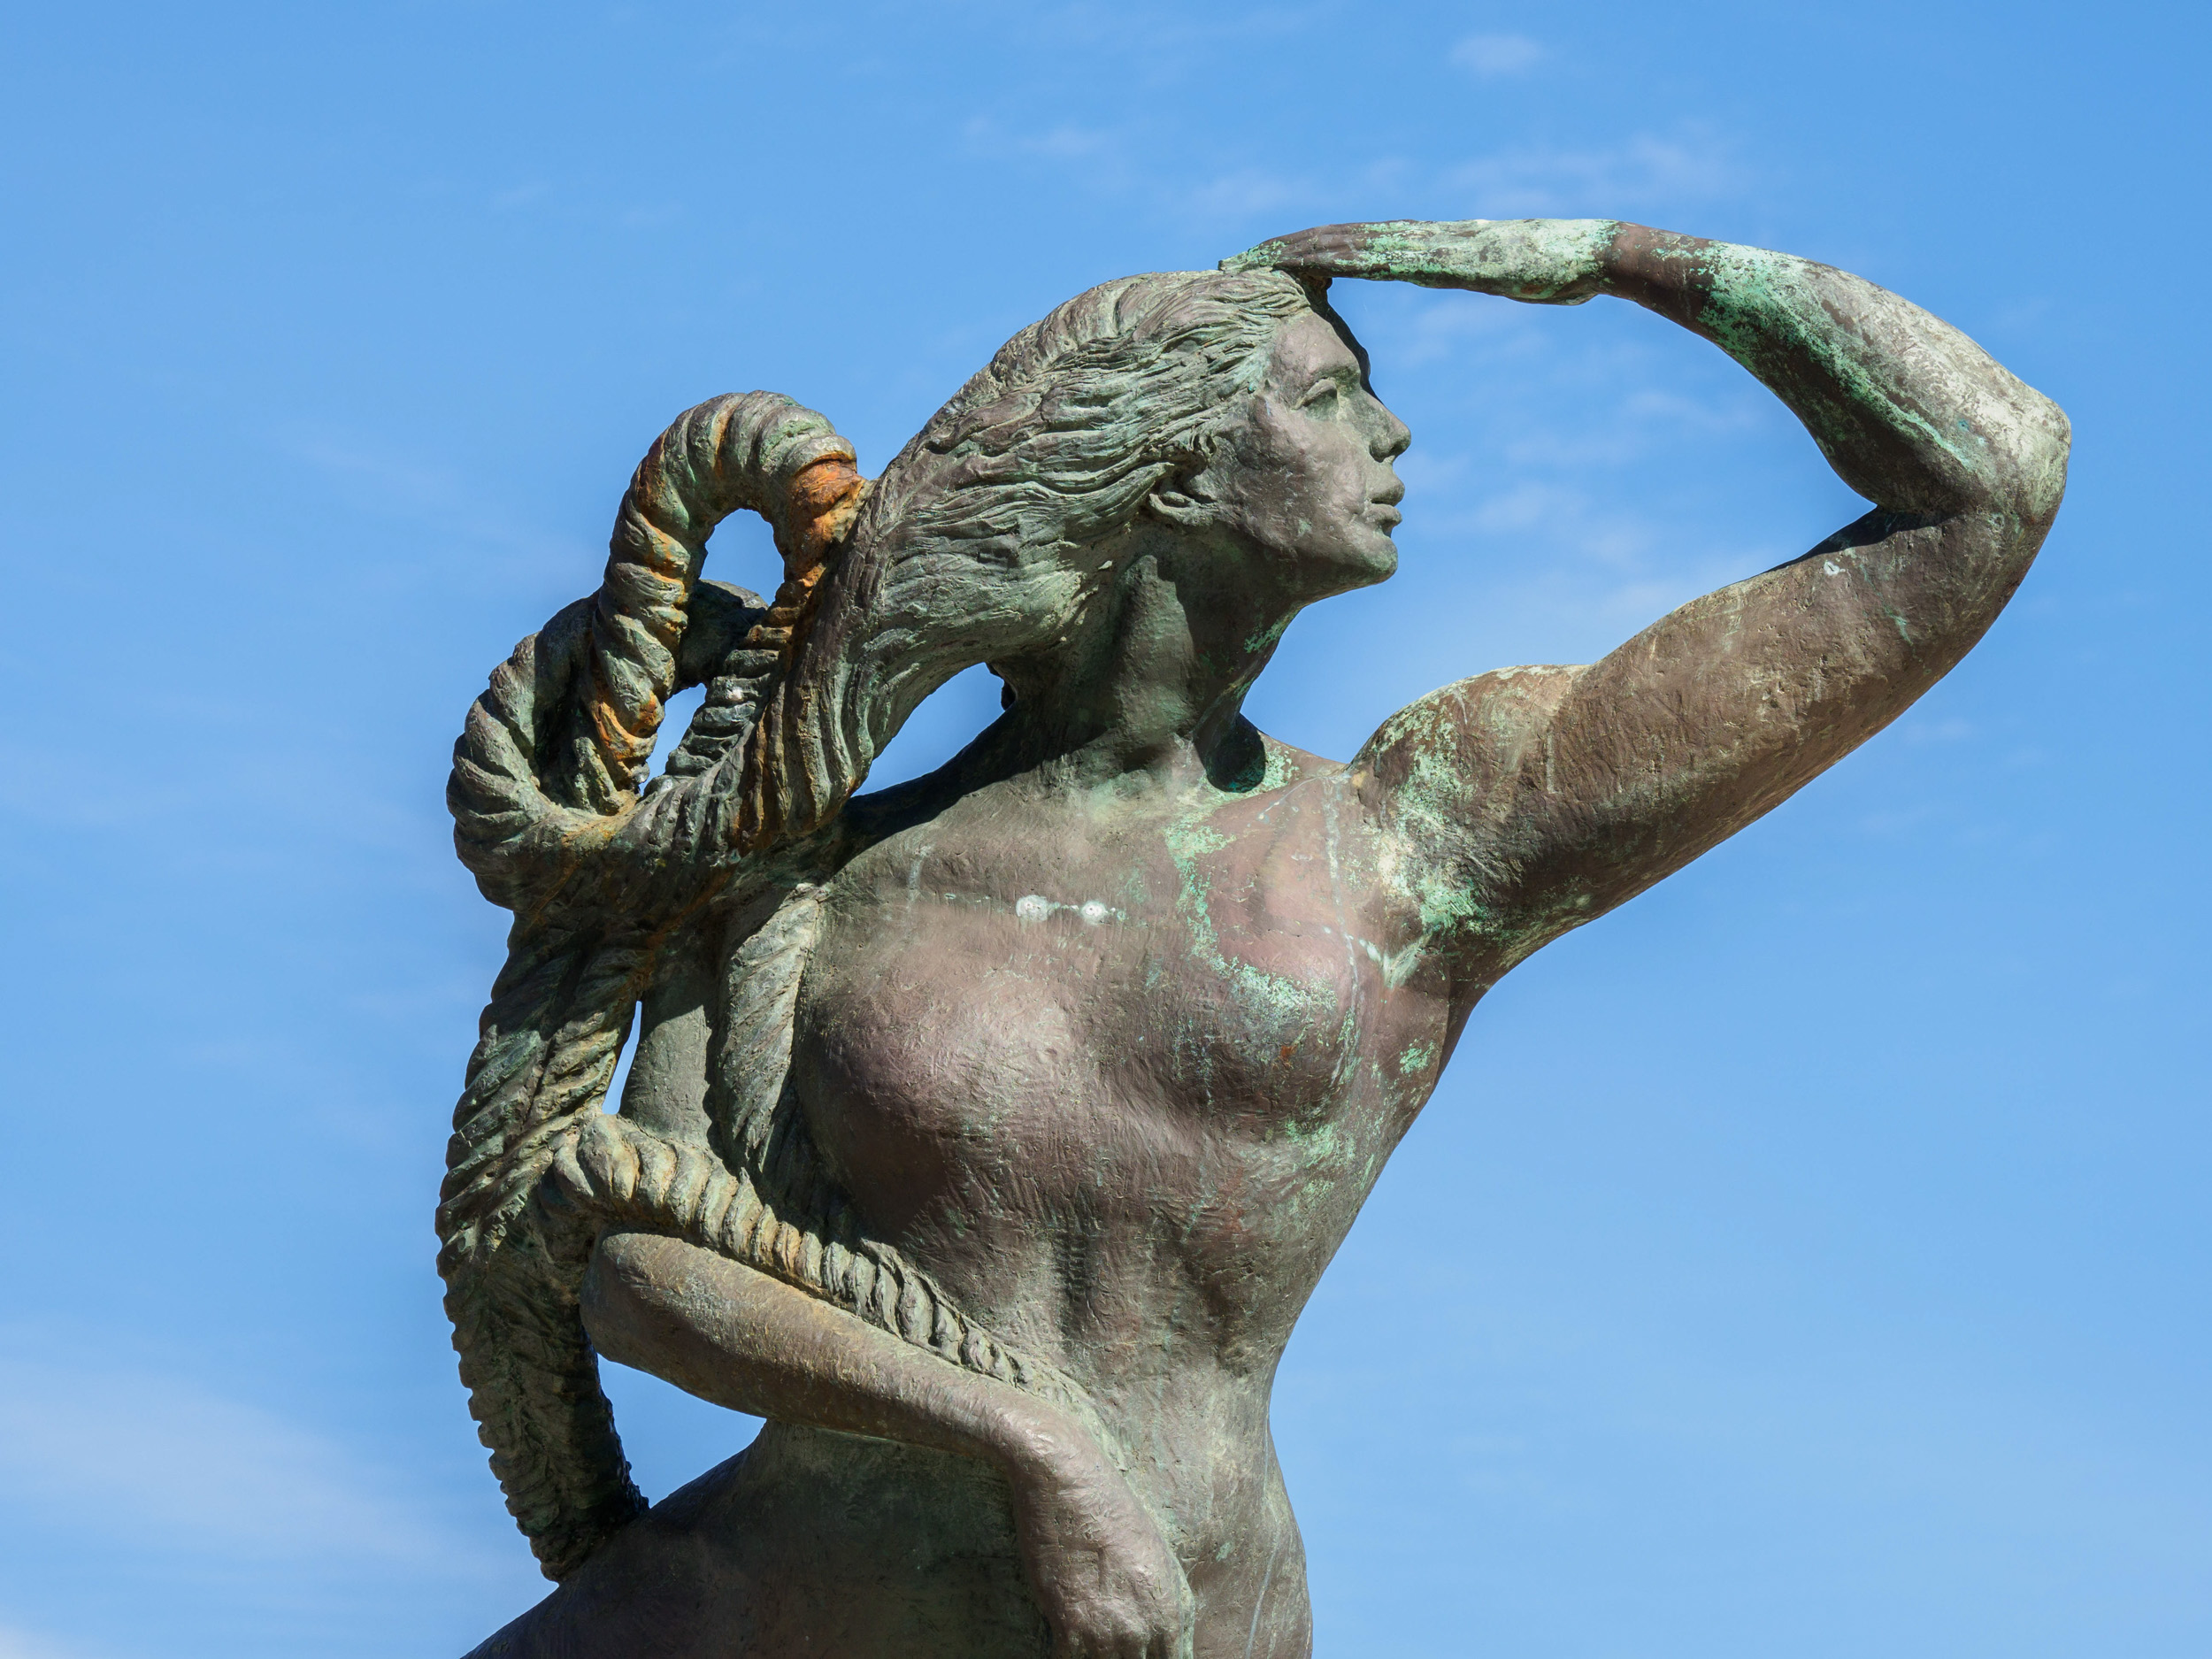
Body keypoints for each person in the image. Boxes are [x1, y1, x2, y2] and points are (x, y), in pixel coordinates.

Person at [443, 219, 2069, 1659]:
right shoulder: (811, 876)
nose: (1392, 430)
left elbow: (1992, 482)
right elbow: (640, 1271)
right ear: (1173, 469)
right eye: (1329, 395)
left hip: (1183, 1618)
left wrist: (1612, 261)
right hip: (783, 1607)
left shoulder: (1417, 841)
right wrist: (1034, 1450)